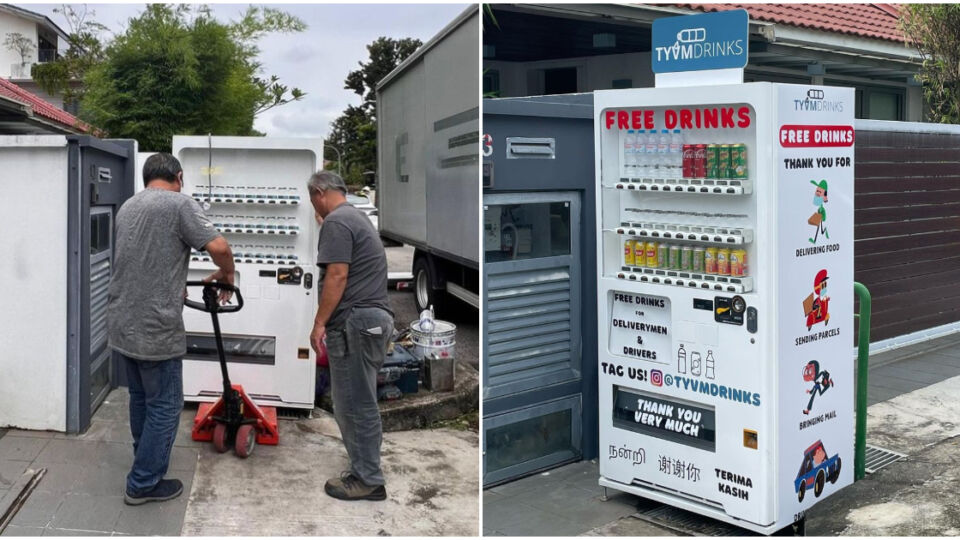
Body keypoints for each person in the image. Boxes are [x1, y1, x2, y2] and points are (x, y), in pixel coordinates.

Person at [106, 153, 235, 505]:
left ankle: (144, 461)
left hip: (122, 322)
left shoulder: (129, 206)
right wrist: (228, 274)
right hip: (155, 328)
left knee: (141, 399)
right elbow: (219, 247)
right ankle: (144, 482)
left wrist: (172, 284)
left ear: (147, 178)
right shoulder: (180, 204)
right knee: (165, 404)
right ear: (178, 176)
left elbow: (141, 258)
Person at [307, 170, 394, 501]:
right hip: (368, 322)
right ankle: (364, 466)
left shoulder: (338, 222)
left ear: (319, 192)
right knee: (358, 400)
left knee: (354, 403)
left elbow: (338, 275)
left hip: (356, 323)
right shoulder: (351, 217)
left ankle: (368, 478)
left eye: (312, 198)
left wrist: (318, 323)